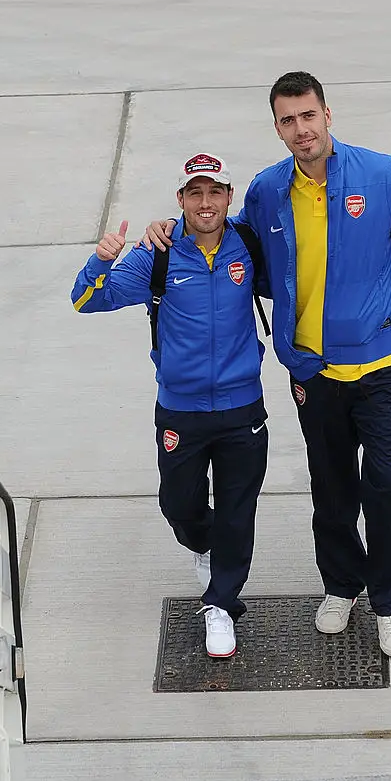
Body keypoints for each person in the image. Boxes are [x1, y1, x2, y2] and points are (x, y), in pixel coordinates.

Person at [140, 72, 391, 659]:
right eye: (287, 121)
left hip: (383, 366)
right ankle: (342, 586)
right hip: (312, 373)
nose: (301, 130)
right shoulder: (268, 190)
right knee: (331, 490)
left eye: (308, 116)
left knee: (388, 486)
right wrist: (171, 231)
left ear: (328, 114)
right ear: (276, 128)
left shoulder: (380, 175)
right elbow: (229, 244)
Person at [71, 152, 270, 658]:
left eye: (216, 192)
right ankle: (203, 546)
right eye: (195, 193)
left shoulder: (249, 244)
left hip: (242, 405)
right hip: (179, 409)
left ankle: (222, 604)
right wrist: (103, 257)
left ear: (229, 197)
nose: (206, 203)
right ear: (180, 200)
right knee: (179, 506)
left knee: (237, 510)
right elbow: (86, 300)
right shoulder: (157, 255)